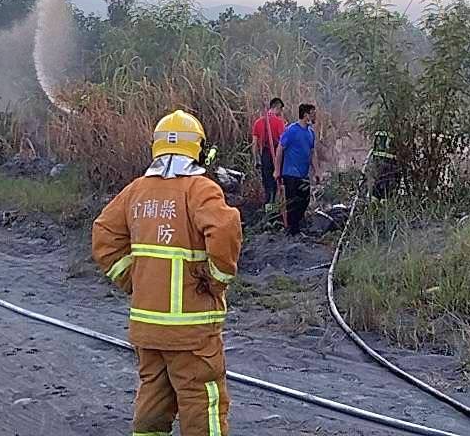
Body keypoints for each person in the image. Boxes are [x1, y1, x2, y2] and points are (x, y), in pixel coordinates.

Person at [93, 109, 242, 436]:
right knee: (202, 401)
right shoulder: (200, 189)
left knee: (153, 398)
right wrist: (216, 280)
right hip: (190, 329)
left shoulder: (136, 191)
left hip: (147, 326)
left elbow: (104, 233)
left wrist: (132, 278)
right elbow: (225, 228)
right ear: (198, 149)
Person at [275, 103, 317, 236]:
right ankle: (293, 231)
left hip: (303, 174)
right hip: (291, 173)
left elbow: (312, 153)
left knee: (305, 200)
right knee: (293, 203)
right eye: (312, 113)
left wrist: (317, 171)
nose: (315, 116)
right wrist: (277, 170)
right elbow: (280, 149)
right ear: (305, 115)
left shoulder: (311, 132)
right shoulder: (291, 130)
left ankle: (296, 227)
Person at [249, 98, 286, 205]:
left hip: (264, 156)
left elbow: (254, 144)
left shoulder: (258, 122)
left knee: (267, 183)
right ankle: (274, 207)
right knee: (276, 182)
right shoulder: (279, 122)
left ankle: (268, 208)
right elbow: (283, 142)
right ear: (277, 107)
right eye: (280, 110)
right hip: (276, 155)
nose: (280, 113)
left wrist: (256, 160)